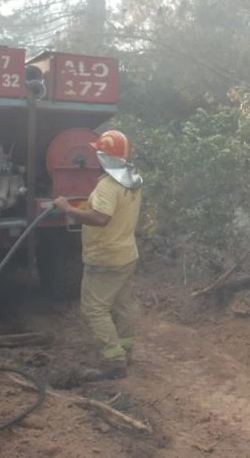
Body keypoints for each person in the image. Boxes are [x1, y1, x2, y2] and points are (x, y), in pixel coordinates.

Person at [53, 130, 143, 379]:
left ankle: (113, 359)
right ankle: (125, 349)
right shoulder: (133, 180)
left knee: (94, 309)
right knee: (123, 305)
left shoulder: (107, 185)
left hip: (106, 257)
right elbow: (114, 211)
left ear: (105, 156)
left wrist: (68, 209)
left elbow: (101, 218)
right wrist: (88, 205)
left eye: (99, 152)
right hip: (126, 254)